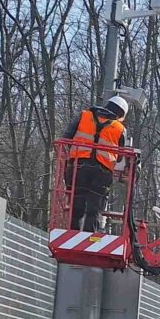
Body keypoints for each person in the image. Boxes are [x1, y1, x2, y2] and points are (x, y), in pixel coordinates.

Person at [61, 95, 131, 231]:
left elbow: (66, 137)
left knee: (77, 201)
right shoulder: (120, 128)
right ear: (121, 114)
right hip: (103, 172)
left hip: (78, 167)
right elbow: (119, 157)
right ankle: (89, 236)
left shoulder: (84, 116)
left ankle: (72, 232)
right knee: (95, 207)